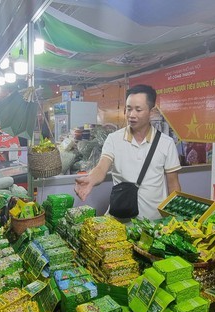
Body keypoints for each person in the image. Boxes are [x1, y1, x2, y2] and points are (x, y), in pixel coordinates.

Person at [74, 84, 182, 220]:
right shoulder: (114, 139)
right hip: (120, 221)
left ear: (152, 111)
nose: (131, 115)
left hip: (154, 223)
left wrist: (176, 216)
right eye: (129, 109)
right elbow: (101, 168)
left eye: (138, 110)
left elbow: (173, 184)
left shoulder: (166, 143)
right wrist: (90, 180)